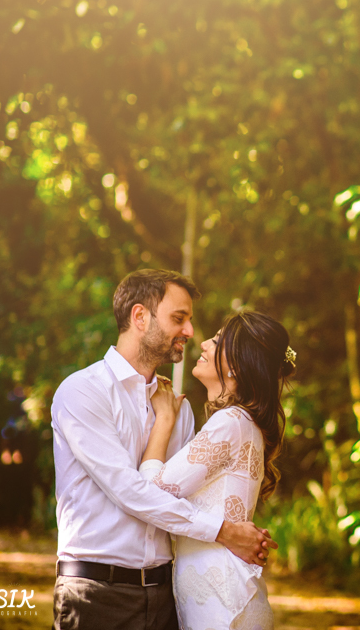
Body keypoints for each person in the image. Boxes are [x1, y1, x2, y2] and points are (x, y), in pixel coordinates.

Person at [51, 269, 277, 630]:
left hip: (165, 597)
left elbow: (183, 499)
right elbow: (131, 492)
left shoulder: (179, 409)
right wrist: (225, 531)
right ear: (140, 317)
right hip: (97, 593)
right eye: (179, 319)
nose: (189, 332)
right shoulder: (83, 392)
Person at [140, 310, 295, 630]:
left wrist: (164, 421)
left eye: (219, 340)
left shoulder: (231, 422)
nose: (206, 342)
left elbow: (150, 493)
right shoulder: (242, 423)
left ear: (236, 366)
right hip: (223, 600)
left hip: (224, 607)